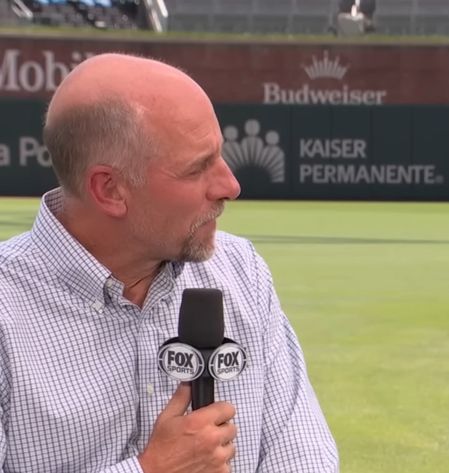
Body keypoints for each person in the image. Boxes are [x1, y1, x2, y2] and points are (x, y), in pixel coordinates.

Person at [0, 54, 338, 472]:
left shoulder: (241, 270)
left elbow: (302, 457)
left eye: (220, 156)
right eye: (197, 168)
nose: (230, 186)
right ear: (110, 190)